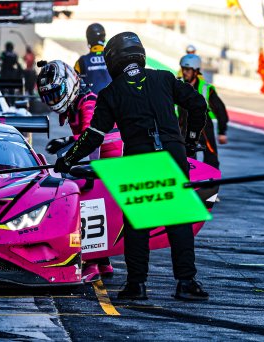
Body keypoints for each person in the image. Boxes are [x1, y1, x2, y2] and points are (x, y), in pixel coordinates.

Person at [54, 32, 210, 301]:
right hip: (173, 156)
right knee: (179, 222)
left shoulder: (111, 92)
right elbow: (199, 104)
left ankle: (137, 285)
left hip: (139, 159)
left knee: (137, 225)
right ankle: (186, 283)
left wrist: (66, 160)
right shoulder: (164, 78)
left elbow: (93, 137)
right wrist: (191, 139)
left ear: (113, 60)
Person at [36, 59, 114, 281]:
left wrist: (82, 164)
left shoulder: (87, 102)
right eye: (48, 96)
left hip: (106, 157)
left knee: (88, 204)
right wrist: (66, 144)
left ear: (68, 83)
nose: (53, 100)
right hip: (100, 157)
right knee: (101, 207)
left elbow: (92, 137)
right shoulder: (76, 103)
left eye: (55, 93)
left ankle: (92, 263)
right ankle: (103, 261)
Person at [180, 54, 229, 169]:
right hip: (184, 127)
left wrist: (222, 131)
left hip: (204, 127)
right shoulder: (177, 86)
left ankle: (211, 181)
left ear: (196, 71)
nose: (184, 72)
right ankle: (188, 179)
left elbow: (220, 109)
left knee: (211, 157)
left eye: (188, 70)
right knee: (186, 158)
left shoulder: (206, 88)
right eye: (183, 69)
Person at [74, 23, 112, 94]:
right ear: (103, 37)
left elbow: (75, 83)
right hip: (112, 101)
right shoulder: (112, 56)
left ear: (89, 39)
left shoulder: (81, 61)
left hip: (91, 103)